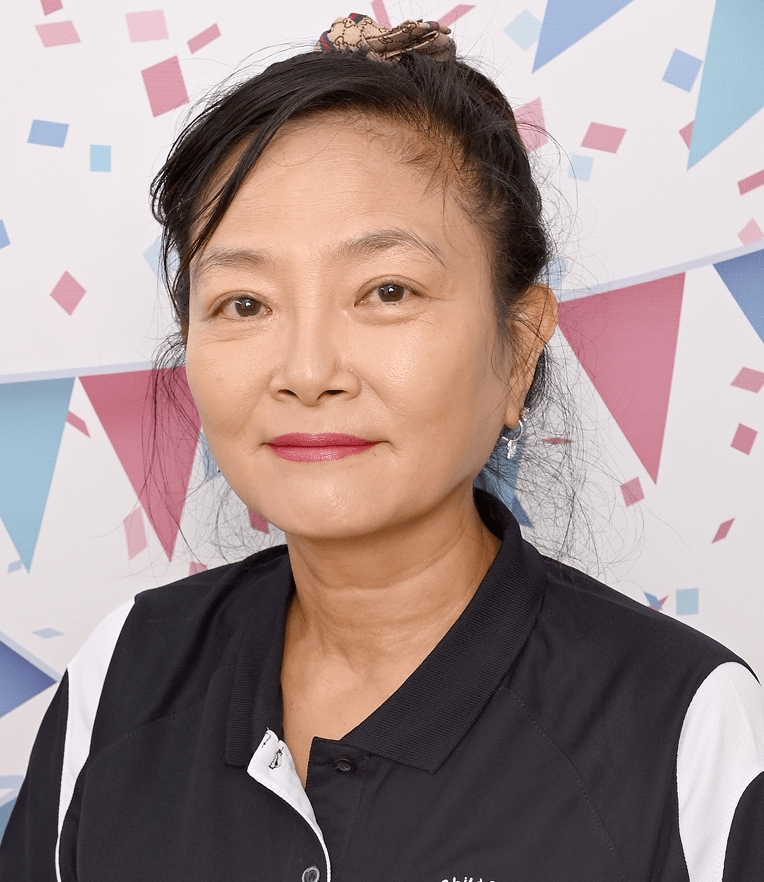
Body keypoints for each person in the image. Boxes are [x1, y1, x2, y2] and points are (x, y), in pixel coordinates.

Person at [1, 13, 762, 882]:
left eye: (387, 290)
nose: (307, 369)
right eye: (244, 304)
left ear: (517, 347)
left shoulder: (686, 732)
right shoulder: (122, 679)